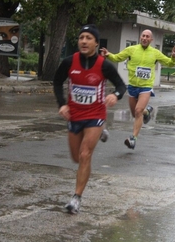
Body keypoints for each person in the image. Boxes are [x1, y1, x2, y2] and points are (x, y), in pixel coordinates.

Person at [53, 24, 126, 214]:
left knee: (86, 154)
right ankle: (102, 131)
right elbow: (57, 81)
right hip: (75, 115)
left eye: (88, 38)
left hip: (95, 114)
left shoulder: (104, 65)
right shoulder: (69, 62)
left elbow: (121, 85)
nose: (84, 41)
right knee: (76, 157)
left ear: (96, 43)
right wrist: (62, 104)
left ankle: (76, 198)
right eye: (81, 37)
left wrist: (115, 95)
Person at [100, 29, 175, 149]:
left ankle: (133, 139)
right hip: (132, 86)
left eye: (147, 36)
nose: (145, 38)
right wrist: (108, 54)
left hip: (146, 87)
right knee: (135, 113)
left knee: (138, 111)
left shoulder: (155, 53)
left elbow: (169, 63)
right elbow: (118, 58)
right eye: (143, 36)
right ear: (140, 37)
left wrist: (173, 58)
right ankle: (146, 111)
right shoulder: (131, 50)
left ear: (151, 40)